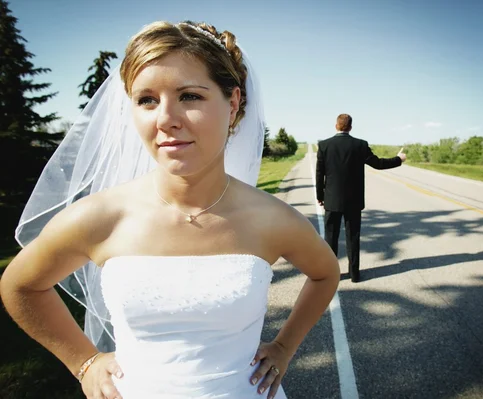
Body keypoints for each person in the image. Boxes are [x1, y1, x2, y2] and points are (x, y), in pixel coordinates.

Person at [0, 20, 340, 399]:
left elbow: (325, 274)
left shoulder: (271, 218)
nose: (165, 119)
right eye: (147, 100)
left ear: (234, 102)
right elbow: (20, 286)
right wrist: (83, 362)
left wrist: (283, 347)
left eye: (190, 96)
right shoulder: (100, 217)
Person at [315, 114, 406, 283]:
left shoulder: (324, 145)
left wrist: (320, 196)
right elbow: (378, 163)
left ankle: (331, 275)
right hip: (353, 202)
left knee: (330, 239)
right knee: (353, 238)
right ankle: (355, 275)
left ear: (336, 126)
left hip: (332, 200)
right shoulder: (360, 145)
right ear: (350, 127)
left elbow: (319, 173)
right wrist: (398, 160)